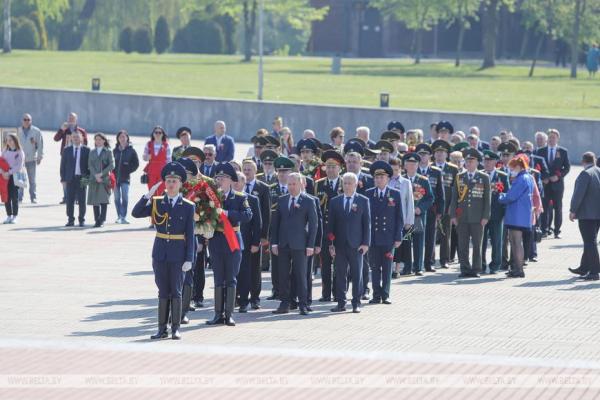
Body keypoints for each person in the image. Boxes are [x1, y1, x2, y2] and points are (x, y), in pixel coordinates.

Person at [131, 162, 195, 340]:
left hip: (178, 255)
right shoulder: (158, 202)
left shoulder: (188, 206)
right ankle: (161, 328)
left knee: (176, 291)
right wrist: (147, 196)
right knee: (162, 291)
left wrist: (189, 258)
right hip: (160, 254)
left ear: (181, 183)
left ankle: (175, 328)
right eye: (168, 180)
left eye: (174, 181)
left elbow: (190, 234)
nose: (171, 184)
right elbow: (135, 213)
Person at [206, 163, 252, 327]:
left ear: (231, 180)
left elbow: (247, 215)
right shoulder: (211, 197)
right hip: (216, 240)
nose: (220, 180)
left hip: (233, 241)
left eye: (223, 178)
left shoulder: (239, 197)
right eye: (218, 177)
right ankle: (218, 313)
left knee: (231, 278)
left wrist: (228, 213)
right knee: (218, 278)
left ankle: (229, 314)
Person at [270, 172, 318, 315]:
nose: (291, 187)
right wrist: (274, 243)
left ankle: (303, 304)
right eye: (289, 184)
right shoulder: (282, 200)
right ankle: (285, 303)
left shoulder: (308, 201)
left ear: (300, 184)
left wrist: (310, 245)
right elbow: (276, 223)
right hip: (283, 244)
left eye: (294, 184)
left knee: (301, 274)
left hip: (300, 244)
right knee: (283, 275)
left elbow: (314, 224)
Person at [327, 172, 371, 313]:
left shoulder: (363, 201)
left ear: (356, 184)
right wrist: (331, 245)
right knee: (340, 274)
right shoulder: (335, 201)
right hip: (339, 245)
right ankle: (340, 302)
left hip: (356, 244)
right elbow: (331, 226)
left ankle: (356, 303)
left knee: (357, 274)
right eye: (344, 183)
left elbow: (367, 224)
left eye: (350, 183)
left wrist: (366, 243)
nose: (347, 186)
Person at [450, 148, 491, 278]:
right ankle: (464, 268)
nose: (468, 163)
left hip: (478, 217)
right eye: (467, 161)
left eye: (471, 161)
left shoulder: (484, 177)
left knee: (477, 245)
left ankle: (476, 269)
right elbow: (454, 198)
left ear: (477, 162)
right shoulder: (459, 177)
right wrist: (453, 215)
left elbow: (487, 199)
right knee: (462, 245)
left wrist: (485, 216)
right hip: (462, 217)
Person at [367, 161, 403, 304]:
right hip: (374, 238)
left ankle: (386, 294)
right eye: (376, 177)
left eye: (382, 177)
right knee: (375, 267)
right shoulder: (369, 194)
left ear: (388, 179)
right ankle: (376, 295)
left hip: (388, 237)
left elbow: (399, 217)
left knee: (387, 268)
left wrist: (398, 236)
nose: (379, 180)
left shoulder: (395, 194)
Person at [314, 150, 345, 302]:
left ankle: (339, 292)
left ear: (340, 168)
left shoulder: (345, 183)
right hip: (325, 230)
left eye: (334, 166)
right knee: (325, 263)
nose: (331, 169)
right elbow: (315, 209)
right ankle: (326, 293)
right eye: (328, 166)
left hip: (340, 230)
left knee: (340, 263)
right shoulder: (318, 185)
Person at [241, 159, 271, 309]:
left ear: (255, 171)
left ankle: (255, 298)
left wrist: (263, 236)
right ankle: (242, 296)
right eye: (244, 169)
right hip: (241, 235)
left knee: (255, 267)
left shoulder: (263, 188)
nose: (246, 172)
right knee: (242, 267)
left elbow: (266, 214)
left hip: (255, 235)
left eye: (249, 169)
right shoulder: (238, 187)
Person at [498, 155, 534, 278]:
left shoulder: (521, 179)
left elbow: (511, 196)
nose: (511, 170)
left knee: (516, 242)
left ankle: (519, 269)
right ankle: (517, 268)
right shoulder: (528, 177)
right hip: (521, 214)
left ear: (518, 166)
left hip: (517, 214)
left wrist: (500, 196)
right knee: (514, 242)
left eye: (512, 168)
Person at [568, 152, 600, 281]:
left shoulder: (585, 174)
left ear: (583, 161)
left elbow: (578, 194)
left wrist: (572, 210)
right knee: (590, 241)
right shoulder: (598, 171)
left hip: (587, 214)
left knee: (589, 242)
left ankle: (594, 271)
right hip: (597, 214)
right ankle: (584, 267)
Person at [234, 172, 262, 313]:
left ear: (244, 183)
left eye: (237, 181)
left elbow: (257, 223)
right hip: (232, 242)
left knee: (247, 271)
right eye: (233, 181)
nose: (235, 183)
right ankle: (237, 299)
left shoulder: (252, 199)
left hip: (247, 242)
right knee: (236, 272)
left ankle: (248, 300)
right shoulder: (228, 198)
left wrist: (256, 242)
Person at [416, 143, 444, 272]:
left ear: (430, 156)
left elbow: (440, 192)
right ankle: (415, 263)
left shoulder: (436, 171)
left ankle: (429, 263)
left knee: (430, 237)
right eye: (420, 154)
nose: (422, 156)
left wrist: (440, 211)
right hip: (416, 210)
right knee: (415, 237)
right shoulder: (413, 171)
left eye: (425, 154)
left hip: (431, 210)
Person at [537, 129, 570, 238]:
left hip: (557, 184)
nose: (551, 139)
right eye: (550, 137)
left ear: (557, 139)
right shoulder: (541, 151)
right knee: (544, 208)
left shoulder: (563, 151)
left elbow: (567, 168)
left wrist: (559, 176)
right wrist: (543, 178)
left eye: (554, 137)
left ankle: (557, 230)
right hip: (545, 184)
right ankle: (544, 229)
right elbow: (537, 167)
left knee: (558, 208)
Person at [481, 150, 509, 274]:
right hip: (481, 214)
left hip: (497, 214)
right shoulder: (479, 175)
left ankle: (495, 265)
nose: (487, 163)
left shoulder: (502, 176)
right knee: (480, 241)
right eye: (485, 161)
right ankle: (480, 264)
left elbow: (506, 194)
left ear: (495, 162)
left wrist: (504, 213)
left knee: (497, 240)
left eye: (490, 161)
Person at [54, 112, 88, 204]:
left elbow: (85, 143)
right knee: (64, 176)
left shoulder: (81, 130)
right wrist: (61, 129)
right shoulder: (65, 130)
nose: (70, 120)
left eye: (72, 118)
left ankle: (77, 197)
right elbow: (56, 139)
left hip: (78, 156)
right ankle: (66, 197)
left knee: (77, 176)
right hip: (66, 156)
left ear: (76, 120)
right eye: (69, 118)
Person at [60, 130, 90, 227]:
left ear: (81, 138)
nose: (76, 139)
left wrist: (88, 178)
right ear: (71, 138)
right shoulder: (66, 150)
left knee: (82, 201)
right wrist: (63, 179)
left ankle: (81, 219)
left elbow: (89, 166)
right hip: (70, 179)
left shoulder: (87, 150)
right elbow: (63, 166)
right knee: (69, 201)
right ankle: (70, 220)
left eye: (77, 137)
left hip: (82, 178)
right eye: (74, 137)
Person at [87, 133, 114, 228]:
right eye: (96, 139)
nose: (97, 141)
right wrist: (95, 175)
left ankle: (102, 219)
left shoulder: (108, 152)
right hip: (94, 179)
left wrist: (101, 174)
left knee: (103, 200)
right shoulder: (92, 152)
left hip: (104, 179)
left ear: (104, 141)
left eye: (99, 139)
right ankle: (96, 220)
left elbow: (112, 165)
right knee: (95, 200)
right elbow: (90, 165)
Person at [113, 130, 139, 224]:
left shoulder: (131, 151)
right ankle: (119, 216)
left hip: (125, 178)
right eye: (120, 137)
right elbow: (110, 163)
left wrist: (128, 169)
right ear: (118, 139)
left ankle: (123, 216)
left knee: (125, 197)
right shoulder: (115, 151)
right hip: (115, 178)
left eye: (124, 137)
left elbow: (136, 164)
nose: (122, 139)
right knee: (116, 198)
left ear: (127, 138)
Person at [17, 113, 43, 204]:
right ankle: (19, 197)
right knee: (20, 179)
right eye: (25, 119)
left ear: (31, 121)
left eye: (28, 120)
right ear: (22, 121)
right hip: (20, 160)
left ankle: (33, 197)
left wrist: (40, 156)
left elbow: (40, 145)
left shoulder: (36, 131)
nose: (27, 121)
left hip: (31, 159)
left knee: (32, 180)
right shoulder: (18, 131)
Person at [1, 134, 24, 224]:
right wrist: (3, 172)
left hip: (15, 177)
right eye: (7, 140)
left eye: (11, 140)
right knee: (6, 196)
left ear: (15, 140)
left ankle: (15, 216)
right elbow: (1, 162)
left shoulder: (20, 152)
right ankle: (8, 215)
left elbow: (19, 166)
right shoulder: (5, 151)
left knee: (14, 197)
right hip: (4, 177)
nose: (9, 142)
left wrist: (9, 172)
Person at [143, 126, 171, 199]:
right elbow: (144, 157)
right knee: (151, 191)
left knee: (161, 191)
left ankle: (160, 209)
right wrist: (147, 157)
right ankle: (152, 208)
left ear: (162, 134)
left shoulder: (166, 145)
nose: (158, 134)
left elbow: (169, 160)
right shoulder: (148, 144)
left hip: (163, 172)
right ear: (153, 134)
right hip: (151, 171)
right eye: (156, 132)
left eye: (160, 132)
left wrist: (169, 172)